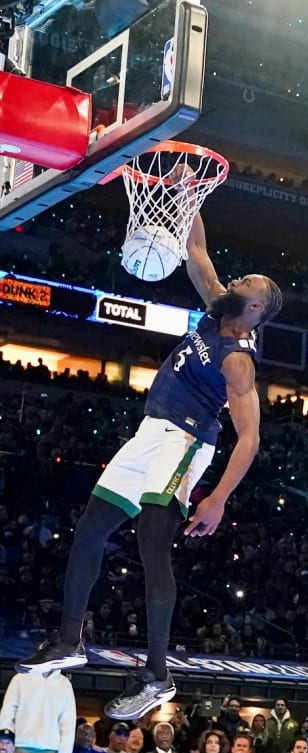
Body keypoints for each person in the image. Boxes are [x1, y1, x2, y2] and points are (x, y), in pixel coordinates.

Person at [15, 211, 283, 721]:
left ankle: (157, 675)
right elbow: (197, 251)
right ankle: (69, 640)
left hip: (183, 443)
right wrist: (190, 194)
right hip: (149, 435)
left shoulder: (238, 361)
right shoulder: (215, 311)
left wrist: (218, 497)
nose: (234, 279)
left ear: (256, 306)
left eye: (245, 282)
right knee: (90, 530)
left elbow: (249, 437)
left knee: (152, 546)